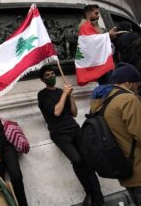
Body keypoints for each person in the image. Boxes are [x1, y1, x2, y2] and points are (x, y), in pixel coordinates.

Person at [37, 65, 104, 206]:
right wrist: (64, 94)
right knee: (77, 160)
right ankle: (89, 193)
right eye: (48, 75)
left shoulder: (63, 91)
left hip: (74, 129)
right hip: (60, 134)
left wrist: (71, 95)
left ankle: (98, 199)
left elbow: (74, 113)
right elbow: (56, 112)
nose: (52, 77)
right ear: (42, 79)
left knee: (88, 162)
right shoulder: (43, 95)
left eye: (52, 73)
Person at [90, 63, 141, 206]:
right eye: (137, 86)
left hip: (126, 171)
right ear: (128, 83)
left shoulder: (101, 103)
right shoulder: (127, 99)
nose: (138, 90)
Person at [78, 4, 118, 85]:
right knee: (107, 86)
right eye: (96, 13)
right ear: (88, 14)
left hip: (103, 60)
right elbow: (89, 42)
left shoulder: (94, 25)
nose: (98, 15)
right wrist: (107, 35)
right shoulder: (84, 26)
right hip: (98, 63)